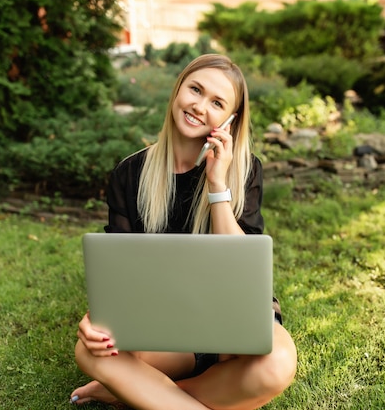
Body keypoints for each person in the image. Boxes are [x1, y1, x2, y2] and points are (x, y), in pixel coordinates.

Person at [70, 54, 297, 410]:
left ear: (230, 120)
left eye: (217, 102)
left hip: (231, 321)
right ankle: (143, 388)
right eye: (195, 89)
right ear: (178, 90)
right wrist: (101, 321)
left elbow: (239, 270)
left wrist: (217, 184)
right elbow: (120, 271)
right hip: (165, 329)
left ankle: (128, 391)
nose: (199, 106)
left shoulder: (244, 170)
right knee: (90, 350)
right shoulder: (130, 173)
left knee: (276, 366)